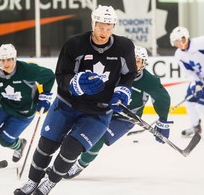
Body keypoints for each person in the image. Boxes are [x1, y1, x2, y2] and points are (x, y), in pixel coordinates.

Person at [14, 5, 137, 195]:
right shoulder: (75, 44)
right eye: (100, 26)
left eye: (109, 27)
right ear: (93, 23)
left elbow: (129, 74)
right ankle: (32, 181)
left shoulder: (125, 47)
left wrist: (122, 91)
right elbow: (61, 74)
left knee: (71, 150)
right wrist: (75, 84)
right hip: (66, 105)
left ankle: (49, 183)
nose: (104, 32)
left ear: (113, 26)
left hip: (98, 112)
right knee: (47, 145)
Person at [50, 46, 174, 179]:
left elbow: (162, 98)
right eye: (133, 60)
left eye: (138, 61)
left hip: (125, 118)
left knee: (98, 138)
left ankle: (79, 165)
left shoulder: (150, 81)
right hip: (105, 110)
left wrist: (163, 120)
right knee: (77, 134)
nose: (135, 63)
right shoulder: (117, 71)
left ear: (144, 63)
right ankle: (62, 164)